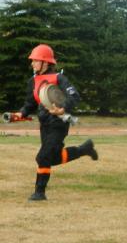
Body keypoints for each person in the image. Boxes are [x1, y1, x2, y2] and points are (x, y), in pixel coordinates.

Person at [13, 44, 97, 202]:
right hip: (44, 124)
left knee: (43, 157)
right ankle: (84, 149)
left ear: (45, 63)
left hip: (59, 123)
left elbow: (74, 96)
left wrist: (63, 108)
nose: (32, 63)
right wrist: (20, 114)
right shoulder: (33, 81)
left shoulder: (59, 78)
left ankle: (39, 193)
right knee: (52, 157)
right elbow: (30, 104)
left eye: (35, 60)